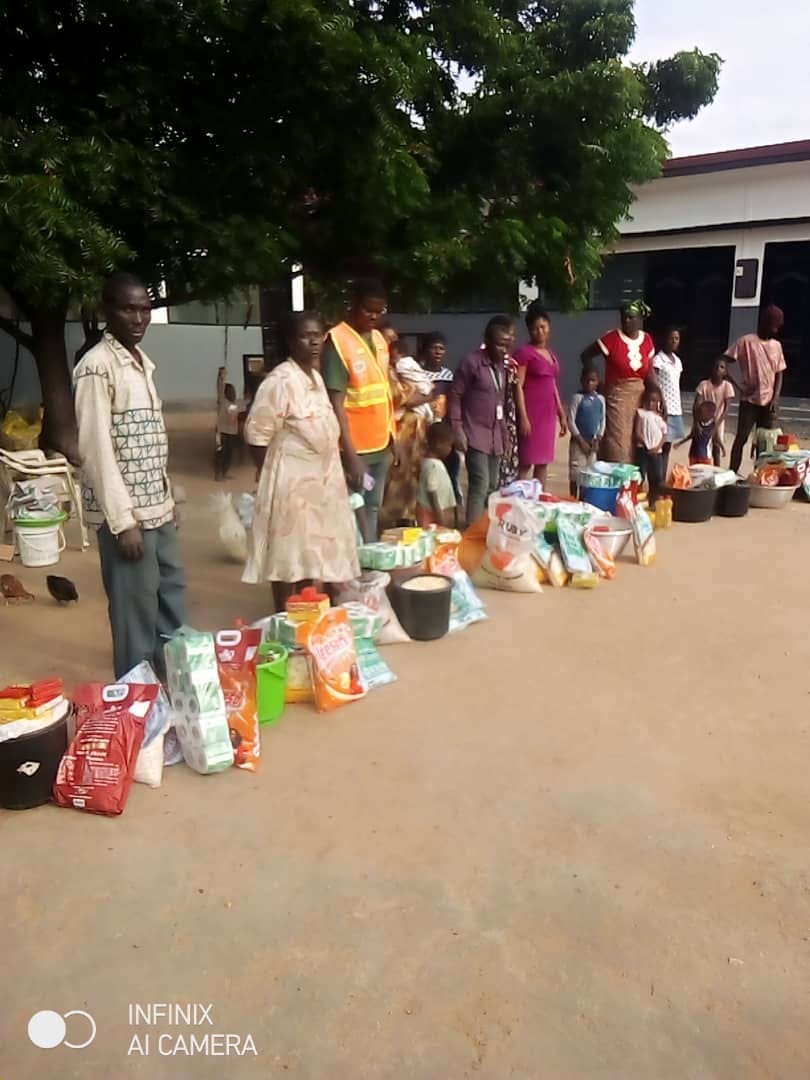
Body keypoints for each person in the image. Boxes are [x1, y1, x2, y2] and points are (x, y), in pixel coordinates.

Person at [73, 271, 186, 679]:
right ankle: (140, 713)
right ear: (108, 311)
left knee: (172, 608)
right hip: (128, 521)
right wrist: (123, 524)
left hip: (158, 510)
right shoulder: (96, 368)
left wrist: (169, 502)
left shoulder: (141, 364)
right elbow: (97, 450)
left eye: (145, 309)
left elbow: (149, 442)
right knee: (135, 620)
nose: (138, 318)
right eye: (128, 309)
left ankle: (178, 696)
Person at [243, 311, 359, 612]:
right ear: (291, 342)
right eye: (305, 336)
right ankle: (284, 617)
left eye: (318, 334)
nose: (314, 341)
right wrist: (270, 475)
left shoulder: (316, 377)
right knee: (287, 555)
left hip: (321, 484)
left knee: (312, 554)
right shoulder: (281, 380)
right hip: (290, 485)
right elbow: (257, 434)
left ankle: (306, 616)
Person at [321, 278, 396, 538]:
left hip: (380, 446)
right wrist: (351, 456)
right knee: (353, 510)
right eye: (368, 310)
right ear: (353, 305)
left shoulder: (378, 339)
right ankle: (352, 568)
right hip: (356, 451)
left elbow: (383, 392)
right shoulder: (337, 342)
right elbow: (336, 404)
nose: (374, 316)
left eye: (380, 311)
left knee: (373, 507)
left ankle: (369, 562)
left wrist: (392, 439)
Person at [449, 316, 512, 526]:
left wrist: (504, 435)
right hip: (474, 433)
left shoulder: (502, 367)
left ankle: (485, 527)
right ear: (487, 340)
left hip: (494, 435)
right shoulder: (471, 363)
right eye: (499, 344)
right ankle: (472, 531)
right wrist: (457, 429)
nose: (503, 349)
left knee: (493, 484)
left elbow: (500, 401)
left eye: (507, 344)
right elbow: (455, 394)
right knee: (480, 481)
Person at [581, 300, 656, 464]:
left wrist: (658, 393)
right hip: (617, 400)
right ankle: (618, 484)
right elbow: (586, 355)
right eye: (623, 317)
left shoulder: (647, 340)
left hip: (639, 398)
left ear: (639, 320)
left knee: (639, 443)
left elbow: (649, 372)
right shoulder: (611, 339)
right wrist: (596, 381)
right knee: (619, 446)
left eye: (630, 317)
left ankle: (633, 486)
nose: (626, 321)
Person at [380, 324, 432, 528]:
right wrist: (422, 396)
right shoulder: (384, 370)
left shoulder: (402, 366)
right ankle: (390, 521)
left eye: (393, 339)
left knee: (413, 472)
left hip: (415, 429)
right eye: (387, 339)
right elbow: (401, 398)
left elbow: (425, 391)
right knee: (396, 474)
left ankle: (408, 516)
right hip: (396, 428)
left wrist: (422, 395)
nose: (391, 344)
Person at [724, 304, 787, 474]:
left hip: (769, 401)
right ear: (764, 323)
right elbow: (724, 363)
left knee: (765, 440)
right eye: (772, 326)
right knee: (741, 438)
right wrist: (738, 384)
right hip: (749, 400)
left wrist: (775, 399)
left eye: (777, 327)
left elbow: (779, 373)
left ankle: (760, 475)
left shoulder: (777, 346)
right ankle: (732, 473)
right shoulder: (746, 342)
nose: (774, 330)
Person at [513, 304, 566, 486]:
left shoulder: (551, 354)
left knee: (543, 463)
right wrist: (523, 417)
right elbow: (517, 385)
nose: (539, 331)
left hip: (547, 415)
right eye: (535, 328)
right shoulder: (524, 353)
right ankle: (518, 500)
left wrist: (561, 413)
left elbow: (552, 384)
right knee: (525, 464)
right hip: (531, 413)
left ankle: (538, 500)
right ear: (529, 330)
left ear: (549, 328)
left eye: (543, 327)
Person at [567, 367, 606, 496]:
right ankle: (573, 498)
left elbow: (602, 420)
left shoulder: (601, 400)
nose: (590, 383)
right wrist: (580, 440)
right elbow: (571, 421)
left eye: (593, 380)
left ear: (598, 382)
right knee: (575, 472)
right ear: (582, 381)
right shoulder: (577, 398)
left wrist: (598, 440)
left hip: (593, 443)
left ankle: (584, 500)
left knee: (589, 474)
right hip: (578, 443)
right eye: (587, 380)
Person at [652, 327, 684, 478]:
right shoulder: (658, 360)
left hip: (675, 407)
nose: (673, 341)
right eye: (671, 338)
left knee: (668, 447)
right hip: (663, 408)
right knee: (660, 445)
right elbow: (654, 382)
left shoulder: (678, 361)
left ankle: (662, 479)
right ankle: (658, 479)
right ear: (664, 339)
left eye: (676, 338)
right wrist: (660, 401)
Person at [416, 422, 458, 528]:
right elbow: (432, 492)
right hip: (431, 514)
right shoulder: (432, 466)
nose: (450, 449)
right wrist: (439, 515)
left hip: (433, 512)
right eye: (449, 445)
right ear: (439, 444)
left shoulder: (431, 463)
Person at [695, 358, 735, 465]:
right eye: (716, 366)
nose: (718, 369)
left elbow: (726, 409)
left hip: (718, 421)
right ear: (711, 369)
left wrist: (717, 425)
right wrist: (697, 422)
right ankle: (702, 470)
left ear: (725, 372)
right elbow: (697, 404)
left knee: (716, 447)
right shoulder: (703, 385)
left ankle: (717, 470)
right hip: (704, 422)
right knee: (702, 448)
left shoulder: (727, 386)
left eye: (722, 367)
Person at [633, 384, 667, 506]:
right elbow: (637, 432)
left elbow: (664, 435)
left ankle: (653, 500)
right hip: (643, 450)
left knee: (656, 477)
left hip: (656, 452)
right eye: (649, 400)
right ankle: (636, 500)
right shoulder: (640, 413)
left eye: (654, 401)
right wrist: (645, 443)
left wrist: (657, 447)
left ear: (658, 402)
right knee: (640, 475)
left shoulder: (659, 418)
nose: (651, 403)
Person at [498, 320, 521, 488]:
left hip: (510, 417)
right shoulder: (486, 360)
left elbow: (517, 390)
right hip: (494, 416)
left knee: (510, 458)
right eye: (509, 335)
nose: (512, 339)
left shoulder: (512, 364)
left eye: (513, 336)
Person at [677, 399, 720, 466]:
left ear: (710, 415)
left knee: (705, 473)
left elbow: (717, 439)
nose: (699, 415)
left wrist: (722, 448)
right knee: (693, 473)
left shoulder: (714, 426)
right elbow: (691, 435)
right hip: (693, 455)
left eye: (701, 413)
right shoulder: (697, 424)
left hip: (705, 456)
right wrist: (680, 443)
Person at [215, 383, 240, 480]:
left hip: (231, 433)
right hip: (222, 433)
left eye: (234, 392)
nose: (234, 394)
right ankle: (219, 474)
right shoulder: (225, 404)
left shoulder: (230, 404)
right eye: (231, 392)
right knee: (221, 454)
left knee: (229, 454)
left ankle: (224, 473)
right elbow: (235, 410)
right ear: (226, 394)